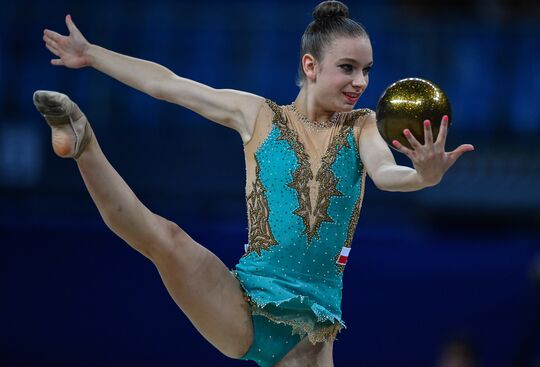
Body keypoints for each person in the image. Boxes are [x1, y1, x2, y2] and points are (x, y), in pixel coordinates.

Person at [36, 1, 474, 366]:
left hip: (314, 334)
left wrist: (421, 175)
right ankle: (83, 143)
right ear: (311, 65)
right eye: (347, 68)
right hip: (244, 305)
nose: (360, 81)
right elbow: (166, 84)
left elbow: (384, 172)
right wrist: (91, 54)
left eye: (366, 70)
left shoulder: (363, 126)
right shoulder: (257, 115)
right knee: (164, 238)